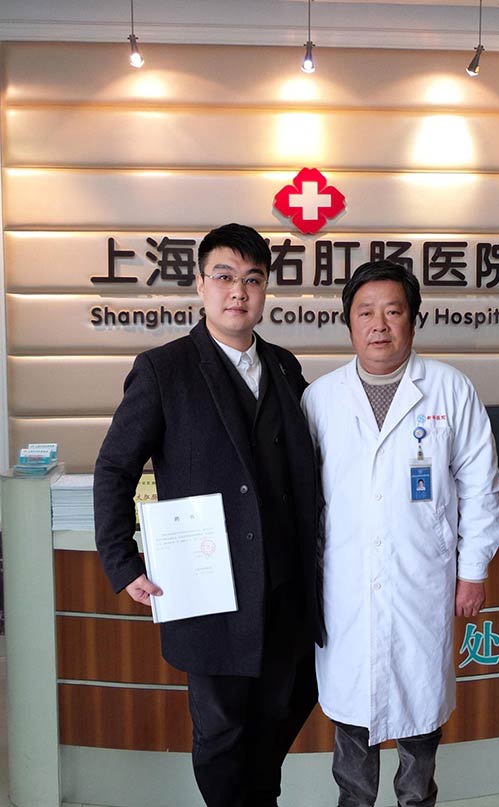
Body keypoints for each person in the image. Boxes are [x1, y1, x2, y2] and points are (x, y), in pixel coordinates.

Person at [94, 223, 322, 807]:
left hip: (284, 589)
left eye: (253, 279)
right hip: (209, 591)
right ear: (199, 284)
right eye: (224, 277)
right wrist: (123, 561)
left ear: (266, 289)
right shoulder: (163, 370)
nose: (238, 292)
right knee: (220, 734)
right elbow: (115, 469)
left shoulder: (284, 367)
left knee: (279, 714)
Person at [301, 259, 499, 807]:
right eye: (365, 312)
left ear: (414, 319)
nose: (379, 325)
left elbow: (481, 485)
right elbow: (305, 500)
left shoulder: (449, 389)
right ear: (348, 322)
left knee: (420, 727)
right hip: (344, 587)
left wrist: (472, 572)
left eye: (393, 311)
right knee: (353, 728)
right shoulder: (320, 398)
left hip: (422, 584)